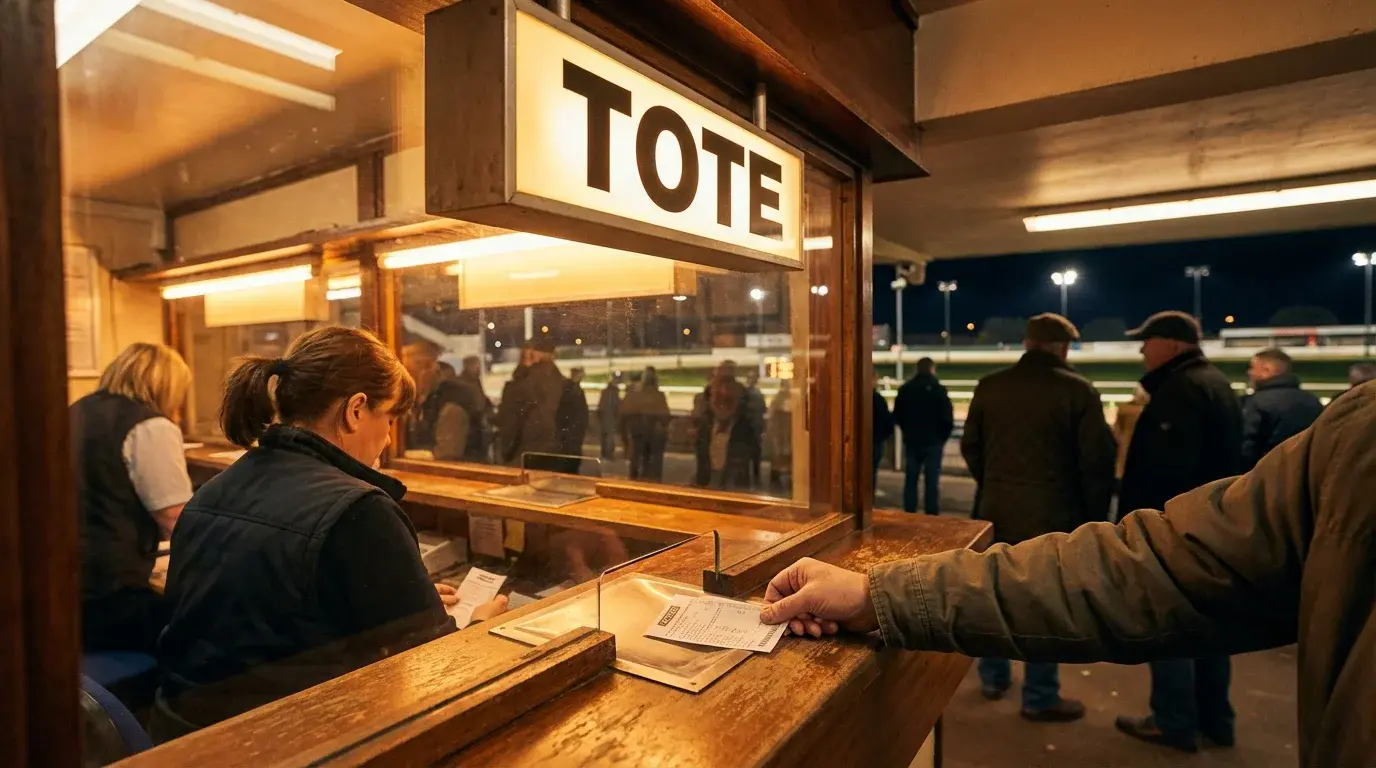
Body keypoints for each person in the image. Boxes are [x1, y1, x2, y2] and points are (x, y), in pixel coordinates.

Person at [758, 382, 1376, 768]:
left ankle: (1010, 687)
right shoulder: (1355, 439)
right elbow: (1156, 565)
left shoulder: (1355, 440)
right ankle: (1047, 697)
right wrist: (876, 594)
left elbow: (1156, 568)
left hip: (1004, 507)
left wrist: (878, 594)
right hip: (1054, 515)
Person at [152, 327, 508, 740]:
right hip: (283, 747)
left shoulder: (215, 489)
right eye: (389, 417)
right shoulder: (360, 511)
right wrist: (479, 628)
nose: (390, 437)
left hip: (182, 738)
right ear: (356, 410)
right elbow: (436, 668)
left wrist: (406, 599)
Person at [959, 315, 1116, 721]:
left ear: (1029, 343)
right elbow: (1096, 463)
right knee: (1045, 603)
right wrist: (1093, 520)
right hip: (1055, 515)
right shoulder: (1078, 391)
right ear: (1062, 348)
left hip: (995, 511)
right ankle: (1040, 694)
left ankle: (993, 678)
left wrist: (993, 484)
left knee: (991, 594)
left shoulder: (990, 386)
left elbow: (971, 446)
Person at [1117, 310, 1243, 751]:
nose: (1141, 350)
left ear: (1170, 344)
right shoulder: (1215, 382)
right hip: (1215, 530)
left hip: (1179, 534)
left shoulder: (1180, 390)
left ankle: (1173, 721)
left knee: (1170, 628)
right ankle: (1216, 721)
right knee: (1211, 630)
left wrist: (1143, 532)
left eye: (1146, 341)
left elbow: (1165, 474)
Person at [72, 343, 193, 654]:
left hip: (69, 587)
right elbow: (177, 520)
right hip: (112, 594)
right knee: (208, 623)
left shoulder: (78, 410)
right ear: (167, 385)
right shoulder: (150, 426)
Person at [496, 338, 589, 474]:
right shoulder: (569, 388)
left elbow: (507, 426)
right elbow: (576, 434)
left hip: (523, 462)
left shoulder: (516, 388)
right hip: (559, 465)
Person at [1241, 347, 1322, 470]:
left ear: (1266, 370)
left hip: (1266, 476)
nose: (1249, 372)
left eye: (1252, 367)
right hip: (1306, 474)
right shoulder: (1312, 401)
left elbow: (1247, 448)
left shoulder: (1254, 403)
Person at [892, 358, 953, 514]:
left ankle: (909, 512)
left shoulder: (906, 389)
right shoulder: (938, 389)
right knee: (932, 482)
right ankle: (931, 514)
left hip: (912, 441)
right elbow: (947, 418)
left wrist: (907, 431)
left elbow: (898, 415)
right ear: (932, 369)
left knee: (911, 480)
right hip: (933, 442)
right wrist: (941, 438)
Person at [622, 367, 671, 481]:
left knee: (636, 463)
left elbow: (626, 414)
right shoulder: (658, 396)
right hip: (653, 437)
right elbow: (665, 416)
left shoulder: (635, 395)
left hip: (639, 435)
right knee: (652, 467)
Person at [454, 355, 494, 462]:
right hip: (471, 424)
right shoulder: (463, 383)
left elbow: (481, 398)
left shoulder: (475, 380)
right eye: (476, 365)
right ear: (468, 366)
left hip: (478, 423)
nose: (479, 368)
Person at [770, 379, 796, 493]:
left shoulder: (778, 398)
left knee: (782, 456)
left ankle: (779, 479)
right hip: (783, 436)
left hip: (784, 436)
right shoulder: (783, 398)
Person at [871, 384, 894, 492]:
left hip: (869, 441)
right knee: (872, 473)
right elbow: (888, 422)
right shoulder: (878, 399)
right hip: (876, 442)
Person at [597, 374, 623, 460]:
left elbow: (600, 406)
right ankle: (608, 454)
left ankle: (605, 453)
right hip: (610, 418)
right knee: (609, 437)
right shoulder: (614, 393)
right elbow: (618, 406)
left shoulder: (605, 392)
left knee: (605, 436)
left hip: (605, 417)